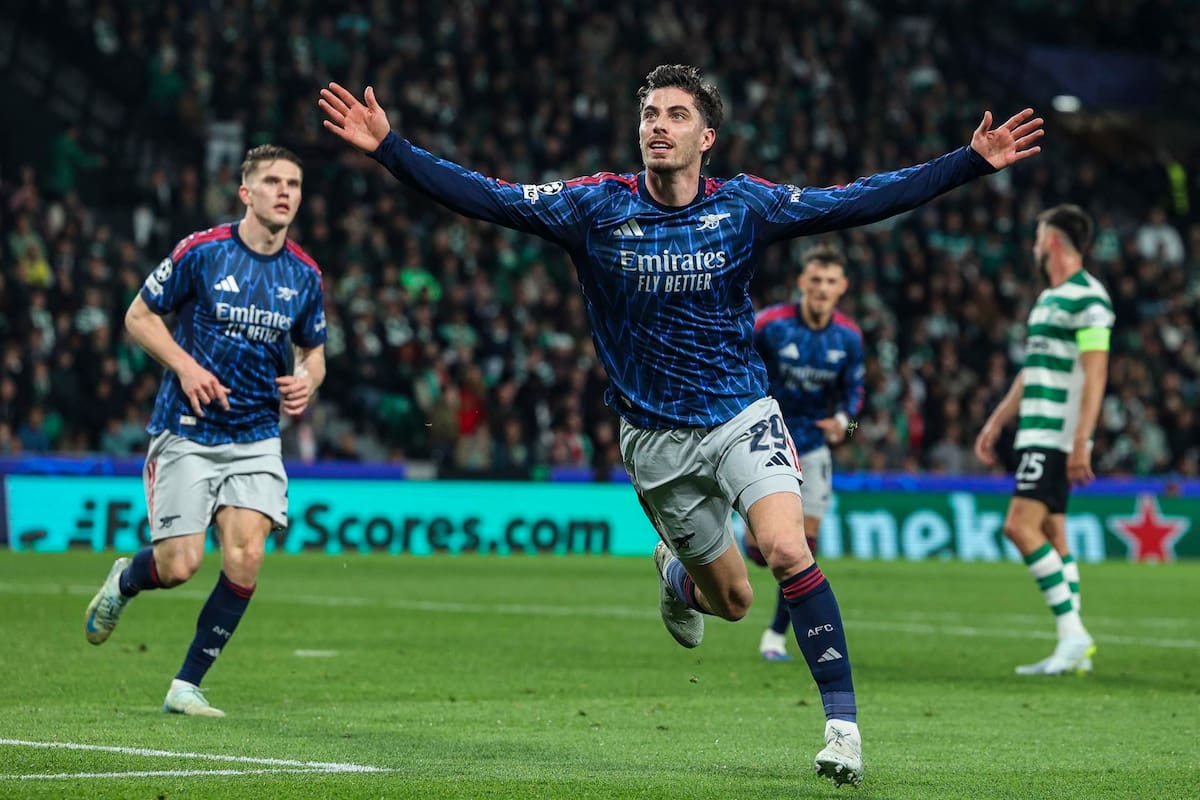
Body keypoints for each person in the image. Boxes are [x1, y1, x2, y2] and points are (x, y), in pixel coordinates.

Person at [319, 65, 1042, 787]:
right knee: (734, 601)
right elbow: (489, 197)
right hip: (656, 441)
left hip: (741, 412)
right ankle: (675, 575)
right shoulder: (593, 207)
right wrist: (392, 149)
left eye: (674, 115)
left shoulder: (745, 206)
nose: (658, 126)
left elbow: (855, 202)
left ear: (707, 136)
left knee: (788, 548)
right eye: (650, 115)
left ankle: (843, 729)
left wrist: (968, 162)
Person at [83, 145, 327, 717]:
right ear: (246, 192)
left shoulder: (305, 274)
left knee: (245, 558)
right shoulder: (203, 252)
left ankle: (186, 685)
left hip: (257, 434)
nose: (285, 191)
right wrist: (187, 367)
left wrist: (307, 381)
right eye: (272, 181)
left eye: (293, 183)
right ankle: (125, 581)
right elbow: (139, 317)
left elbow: (313, 351)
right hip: (187, 431)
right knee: (179, 566)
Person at [974, 204, 1111, 677]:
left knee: (1019, 526)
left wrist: (1082, 441)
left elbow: (1096, 376)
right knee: (1054, 532)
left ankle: (1073, 633)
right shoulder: (1050, 300)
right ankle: (1072, 645)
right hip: (1036, 430)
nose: (1034, 247)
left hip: (1055, 436)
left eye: (1037, 238)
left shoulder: (1088, 298)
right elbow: (1033, 371)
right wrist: (997, 421)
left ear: (1052, 240)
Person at [743, 243, 864, 662]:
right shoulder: (770, 325)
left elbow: (857, 406)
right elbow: (737, 366)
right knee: (760, 554)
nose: (822, 289)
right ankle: (750, 542)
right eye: (815, 280)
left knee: (802, 548)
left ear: (842, 287)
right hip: (765, 440)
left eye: (831, 282)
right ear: (801, 282)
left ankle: (776, 635)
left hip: (813, 450)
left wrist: (844, 428)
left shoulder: (848, 338)